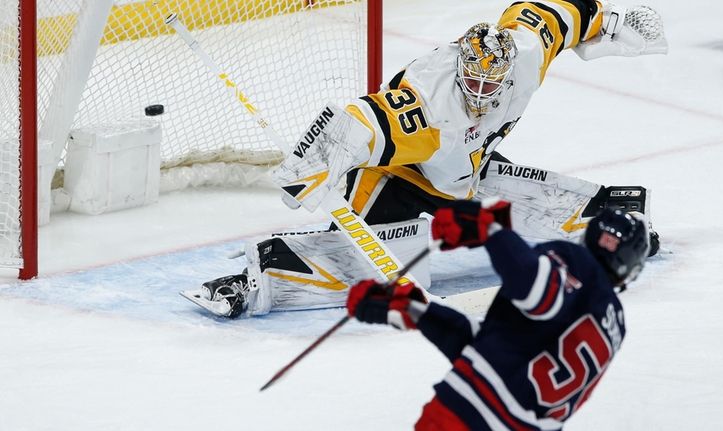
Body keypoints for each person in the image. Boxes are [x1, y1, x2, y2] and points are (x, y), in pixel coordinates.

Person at [191, 1, 666, 317]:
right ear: (461, 65)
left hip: (464, 172)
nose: (482, 92)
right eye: (474, 81)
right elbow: (362, 118)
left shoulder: (522, 55)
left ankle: (606, 229)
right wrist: (311, 164)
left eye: (491, 84)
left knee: (546, 206)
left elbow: (558, 14)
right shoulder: (428, 102)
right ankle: (257, 281)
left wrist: (611, 22)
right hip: (397, 179)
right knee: (377, 269)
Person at [346, 199, 650, 430]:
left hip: (463, 417)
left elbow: (533, 290)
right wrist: (414, 310)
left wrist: (490, 230)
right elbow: (489, 350)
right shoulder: (615, 326)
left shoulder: (574, 261)